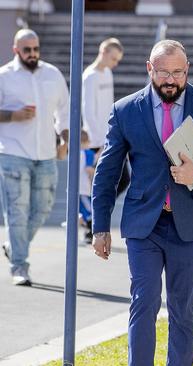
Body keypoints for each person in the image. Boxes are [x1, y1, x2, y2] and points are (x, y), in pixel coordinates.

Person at [91, 39, 193, 365]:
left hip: (189, 224)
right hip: (144, 224)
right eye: (163, 72)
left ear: (187, 71)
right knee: (143, 302)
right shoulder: (126, 110)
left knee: (182, 310)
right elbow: (107, 173)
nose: (170, 80)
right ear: (150, 69)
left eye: (177, 72)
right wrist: (100, 226)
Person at [0, 29, 70, 286]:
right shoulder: (4, 76)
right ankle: (20, 265)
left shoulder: (52, 74)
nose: (32, 54)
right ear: (15, 49)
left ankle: (13, 246)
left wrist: (65, 139)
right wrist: (12, 116)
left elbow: (65, 110)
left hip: (46, 154)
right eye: (27, 49)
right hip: (13, 153)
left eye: (35, 49)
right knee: (17, 212)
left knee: (42, 208)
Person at [81, 38, 126, 241]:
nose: (116, 64)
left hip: (110, 135)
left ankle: (91, 217)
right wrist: (99, 143)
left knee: (122, 179)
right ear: (104, 51)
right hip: (97, 140)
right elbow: (88, 111)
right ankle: (91, 221)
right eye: (114, 58)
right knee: (102, 182)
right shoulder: (89, 77)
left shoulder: (107, 73)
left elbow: (110, 105)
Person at [78, 130, 95, 245]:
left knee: (80, 210)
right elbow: (89, 169)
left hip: (75, 189)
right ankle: (89, 230)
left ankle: (85, 230)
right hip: (84, 188)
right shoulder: (88, 153)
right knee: (90, 211)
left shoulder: (74, 153)